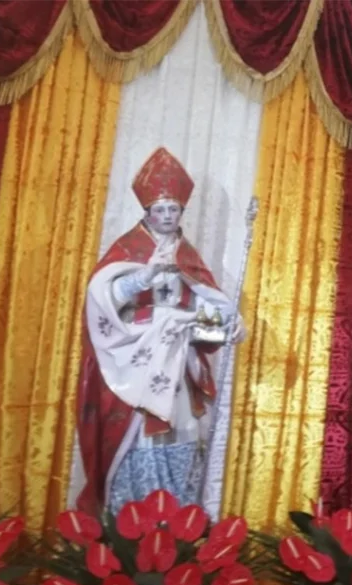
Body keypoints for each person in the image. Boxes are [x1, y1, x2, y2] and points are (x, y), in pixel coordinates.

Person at [74, 147, 243, 514]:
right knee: (132, 440)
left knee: (182, 432)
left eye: (173, 210)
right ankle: (130, 525)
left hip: (176, 361)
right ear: (146, 212)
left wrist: (223, 322)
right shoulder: (127, 250)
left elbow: (203, 310)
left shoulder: (188, 256)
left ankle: (176, 527)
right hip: (133, 362)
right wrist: (141, 278)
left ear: (182, 211)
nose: (167, 216)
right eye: (160, 210)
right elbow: (103, 301)